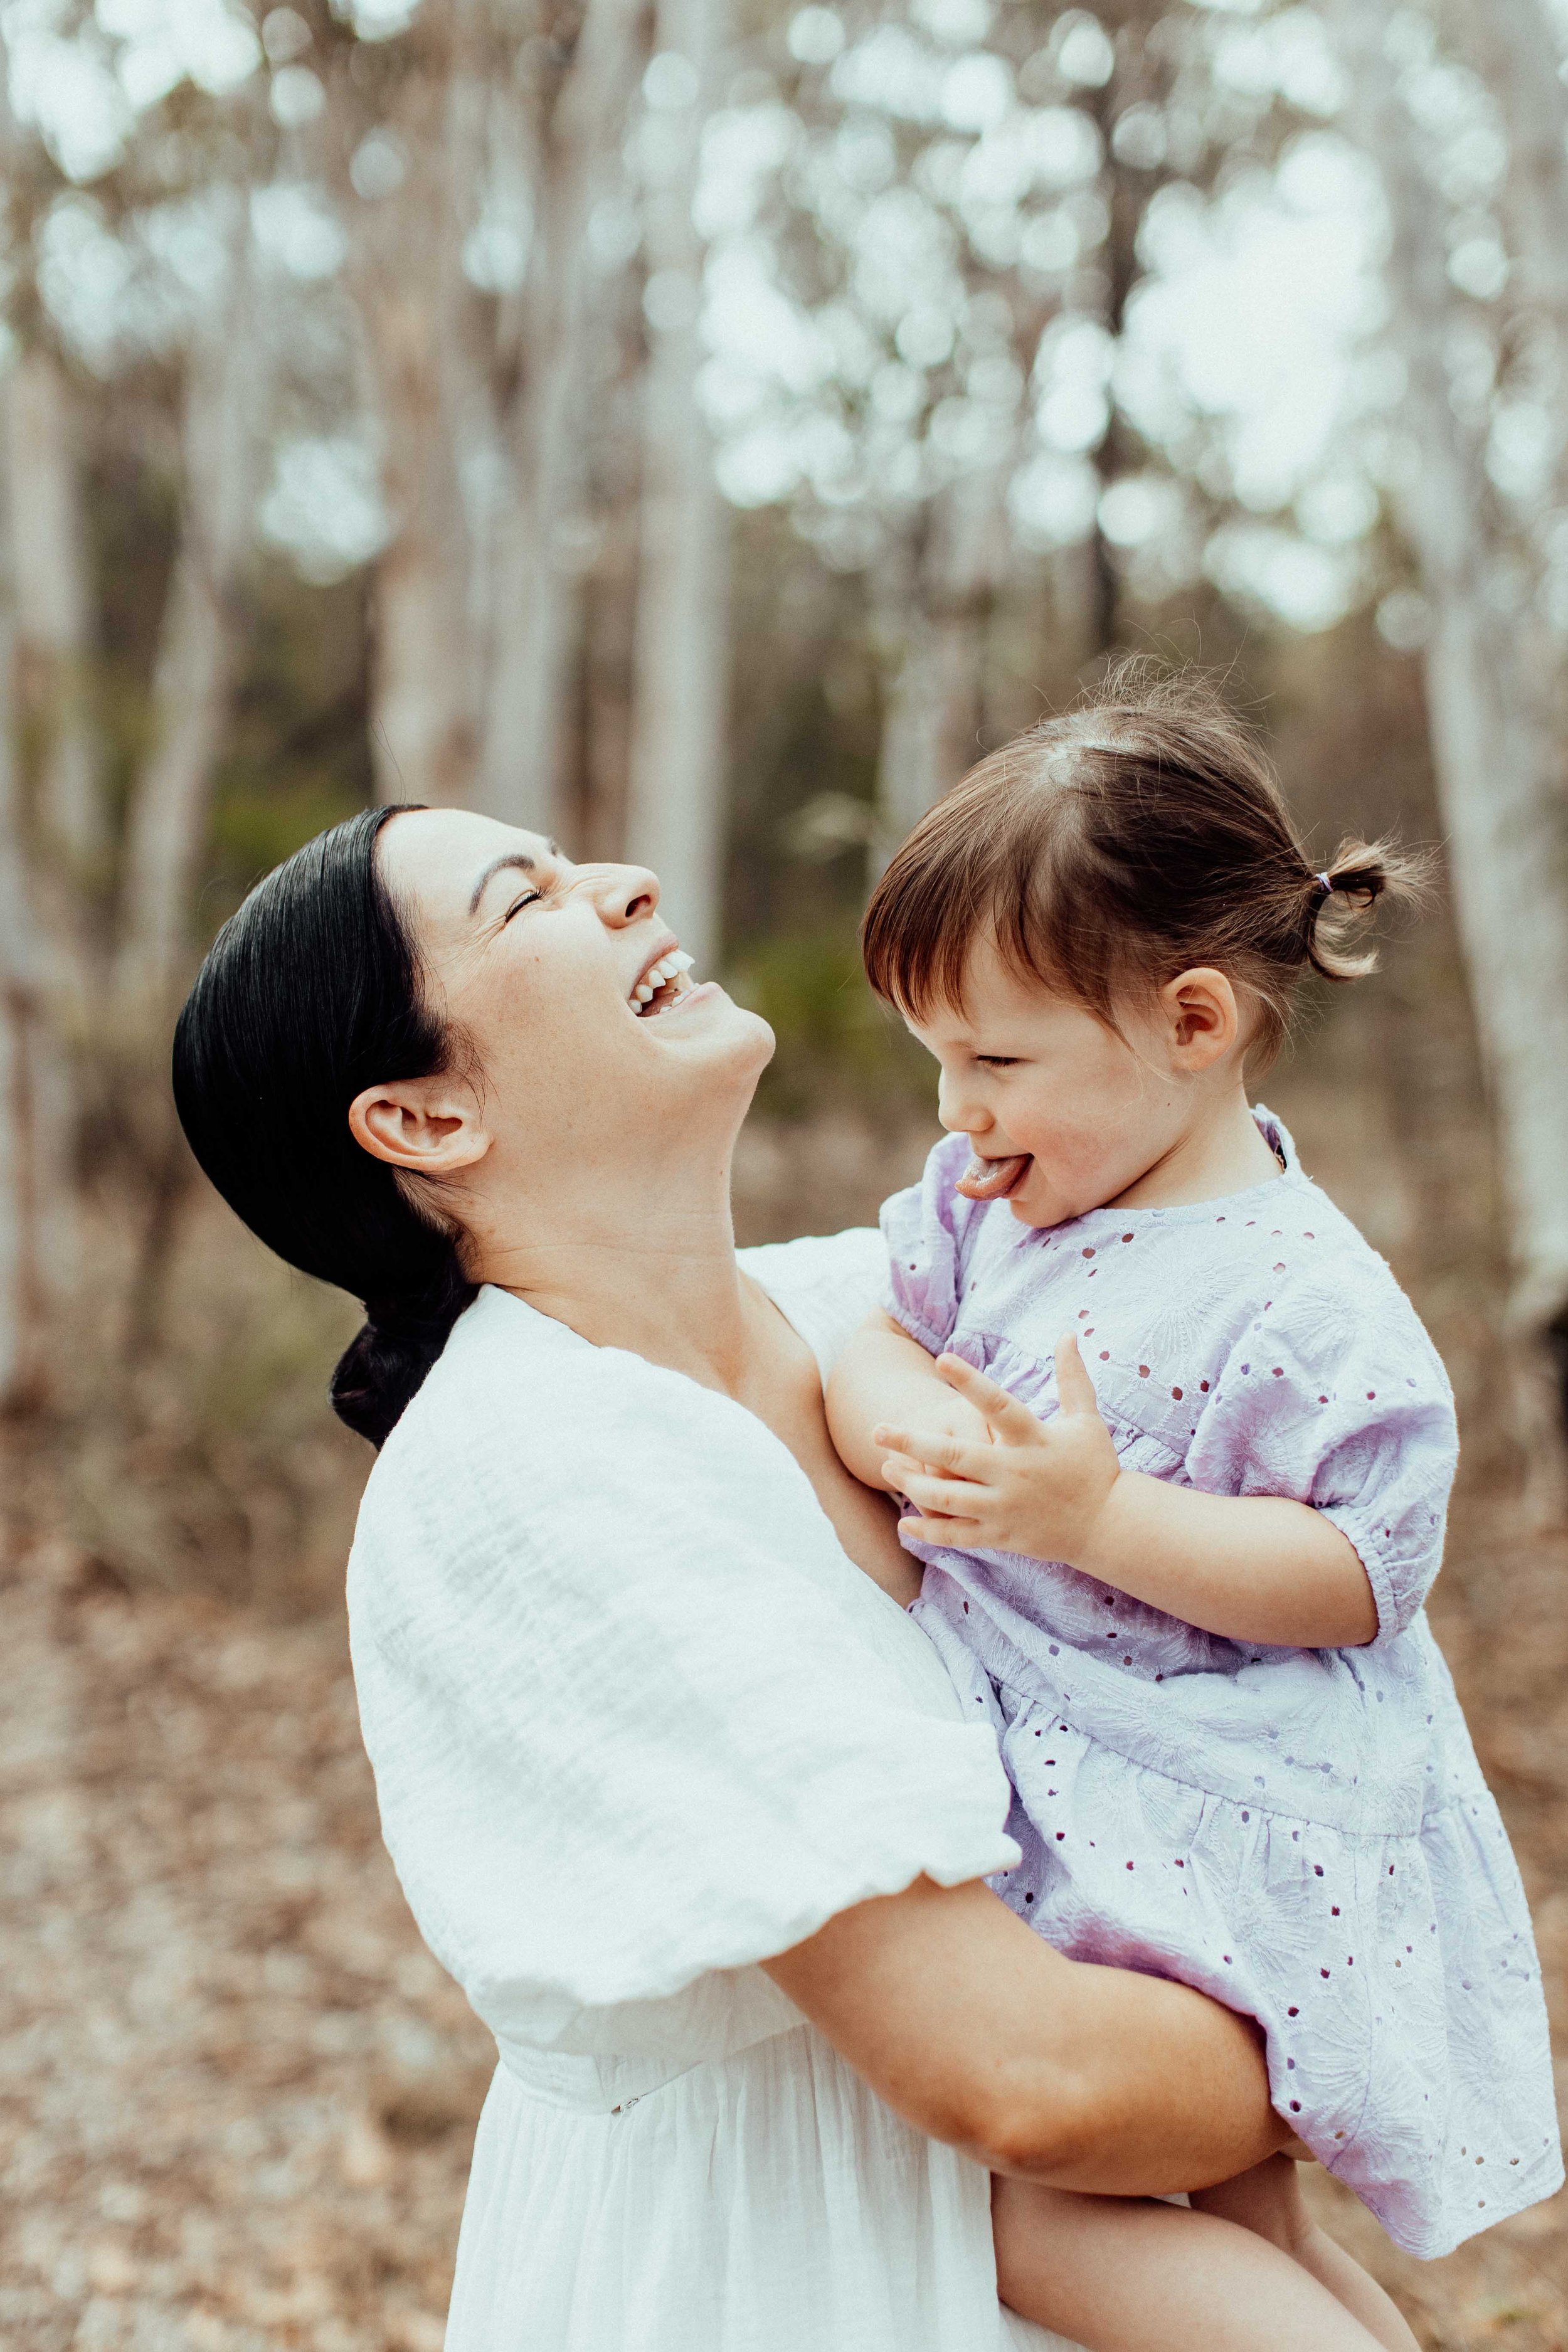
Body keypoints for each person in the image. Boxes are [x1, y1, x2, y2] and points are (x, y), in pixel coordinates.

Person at [170, 804, 1417, 2352]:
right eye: (527, 898)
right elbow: (1025, 2081)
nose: (622, 881)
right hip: (777, 2273)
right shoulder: (530, 1468)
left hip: (1092, 2246)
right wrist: (1377, 2034)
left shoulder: (872, 1302)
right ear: (425, 1122)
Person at [826, 672, 1564, 2352]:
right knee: (1232, 2217)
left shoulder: (1303, 1297)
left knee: (1033, 2222)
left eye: (994, 1058)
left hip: (1238, 1816)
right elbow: (873, 1331)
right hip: (1096, 1785)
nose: (958, 1112)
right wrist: (913, 1436)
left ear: (1191, 1023)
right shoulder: (994, 1203)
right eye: (936, 1058)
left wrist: (1095, 1519)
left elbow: (1356, 1573)